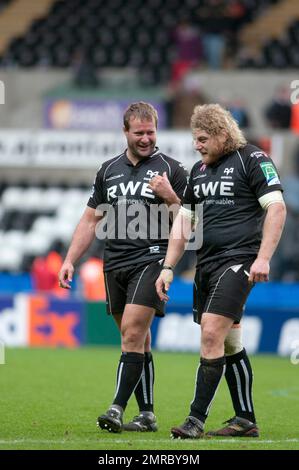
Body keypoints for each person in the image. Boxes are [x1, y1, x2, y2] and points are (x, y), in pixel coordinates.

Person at [156, 103, 286, 438]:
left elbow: (277, 208)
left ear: (222, 134)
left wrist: (263, 257)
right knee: (229, 343)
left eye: (201, 138)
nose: (196, 145)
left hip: (240, 260)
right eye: (194, 139)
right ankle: (245, 419)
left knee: (211, 332)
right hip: (207, 266)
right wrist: (168, 267)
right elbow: (184, 223)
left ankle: (195, 420)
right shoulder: (198, 172)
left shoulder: (252, 159)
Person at [58, 102, 188, 433]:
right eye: (139, 132)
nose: (146, 138)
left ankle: (116, 408)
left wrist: (171, 196)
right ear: (125, 132)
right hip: (114, 263)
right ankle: (147, 414)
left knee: (132, 332)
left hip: (152, 259)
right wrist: (70, 259)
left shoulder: (172, 169)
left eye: (151, 132)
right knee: (137, 339)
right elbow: (90, 219)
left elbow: (191, 222)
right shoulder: (108, 170)